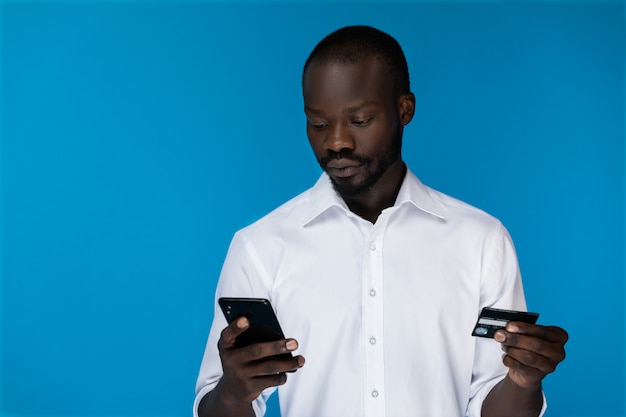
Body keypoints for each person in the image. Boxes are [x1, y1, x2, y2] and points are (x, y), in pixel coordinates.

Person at [194, 25, 568, 417]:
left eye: (359, 120)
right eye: (318, 124)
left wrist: (524, 381)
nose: (336, 141)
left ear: (404, 109)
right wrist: (235, 394)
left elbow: (495, 405)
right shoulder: (260, 246)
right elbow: (214, 405)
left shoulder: (481, 241)